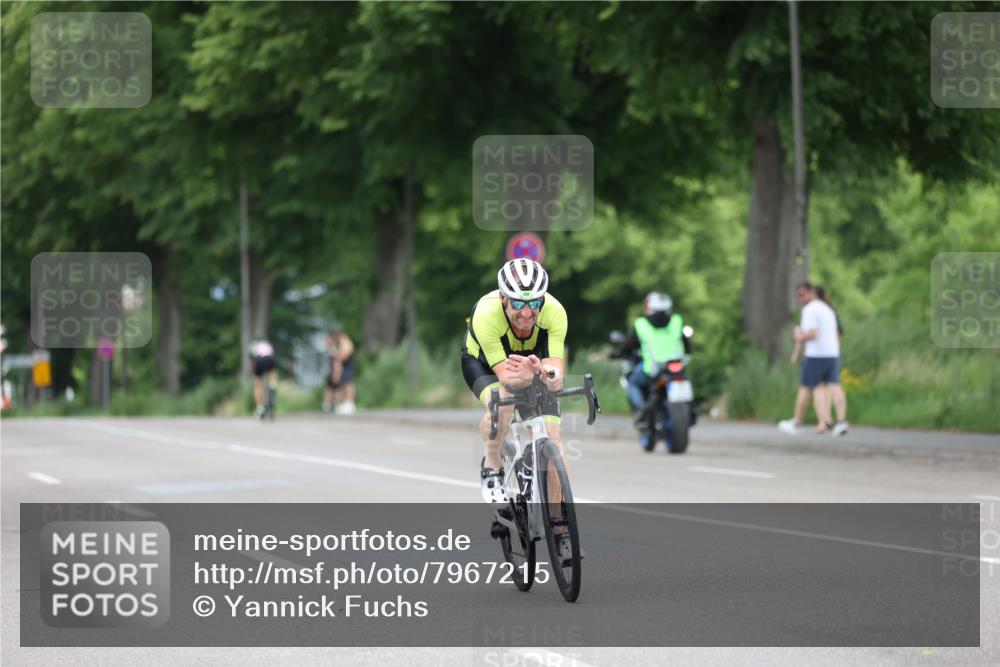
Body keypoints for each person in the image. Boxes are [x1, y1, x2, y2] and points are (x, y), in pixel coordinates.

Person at [460, 259, 567, 514]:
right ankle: (492, 462)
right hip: (484, 363)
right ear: (503, 298)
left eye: (535, 303)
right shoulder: (486, 314)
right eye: (518, 303)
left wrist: (551, 376)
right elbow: (507, 377)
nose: (527, 313)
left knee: (553, 437)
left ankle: (561, 525)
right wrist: (534, 375)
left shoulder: (555, 311)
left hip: (532, 364)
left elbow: (554, 369)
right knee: (503, 402)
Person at [613, 292, 691, 449]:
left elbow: (627, 346)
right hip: (676, 367)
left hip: (652, 370)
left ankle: (642, 409)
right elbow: (688, 346)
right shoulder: (677, 321)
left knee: (633, 383)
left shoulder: (641, 324)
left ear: (649, 307)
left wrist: (616, 354)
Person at [780, 282, 848, 437]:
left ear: (812, 293)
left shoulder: (810, 309)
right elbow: (837, 333)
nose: (801, 299)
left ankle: (796, 421)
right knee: (827, 387)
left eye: (802, 295)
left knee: (806, 387)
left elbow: (812, 334)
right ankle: (831, 421)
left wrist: (799, 337)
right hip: (832, 353)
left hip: (816, 354)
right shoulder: (828, 309)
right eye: (799, 296)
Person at [812, 286, 847, 432]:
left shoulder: (814, 311)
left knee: (820, 388)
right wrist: (834, 347)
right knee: (832, 386)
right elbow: (840, 332)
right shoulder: (831, 311)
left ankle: (824, 421)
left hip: (819, 354)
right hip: (833, 353)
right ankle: (838, 420)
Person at [323, 328, 356, 415]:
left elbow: (343, 356)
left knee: (347, 384)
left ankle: (349, 403)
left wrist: (337, 357)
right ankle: (343, 404)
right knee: (342, 385)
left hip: (346, 366)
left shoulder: (345, 342)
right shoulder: (341, 342)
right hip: (343, 366)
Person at [248, 336, 277, 418]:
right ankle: (273, 384)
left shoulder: (253, 345)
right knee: (271, 372)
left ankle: (259, 408)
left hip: (259, 360)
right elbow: (272, 356)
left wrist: (254, 372)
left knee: (257, 384)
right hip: (270, 359)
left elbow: (252, 362)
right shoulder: (268, 345)